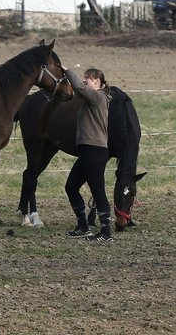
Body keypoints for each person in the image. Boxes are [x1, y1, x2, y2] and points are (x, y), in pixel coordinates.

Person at [62, 65, 114, 242]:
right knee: (71, 187)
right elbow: (78, 90)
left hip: (95, 151)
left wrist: (68, 71)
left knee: (98, 191)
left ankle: (106, 232)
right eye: (84, 77)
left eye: (88, 78)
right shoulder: (91, 99)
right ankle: (83, 226)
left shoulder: (98, 96)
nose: (84, 80)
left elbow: (78, 87)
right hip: (86, 151)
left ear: (97, 82)